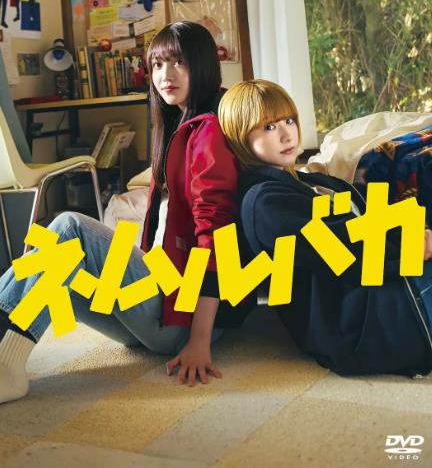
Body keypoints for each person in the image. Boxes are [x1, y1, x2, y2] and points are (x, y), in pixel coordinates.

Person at [0, 21, 253, 404]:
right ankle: (7, 353)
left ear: (202, 64)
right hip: (160, 299)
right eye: (157, 65)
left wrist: (199, 340)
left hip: (179, 320)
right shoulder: (177, 122)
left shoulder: (210, 133)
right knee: (52, 269)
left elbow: (217, 242)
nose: (165, 75)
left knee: (69, 227)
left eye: (179, 62)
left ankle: (6, 365)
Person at [218, 79, 432, 377]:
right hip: (365, 323)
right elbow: (342, 248)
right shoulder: (263, 203)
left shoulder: (303, 183)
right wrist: (410, 241)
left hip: (382, 298)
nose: (286, 134)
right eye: (268, 127)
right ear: (240, 138)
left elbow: (359, 224)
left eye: (289, 120)